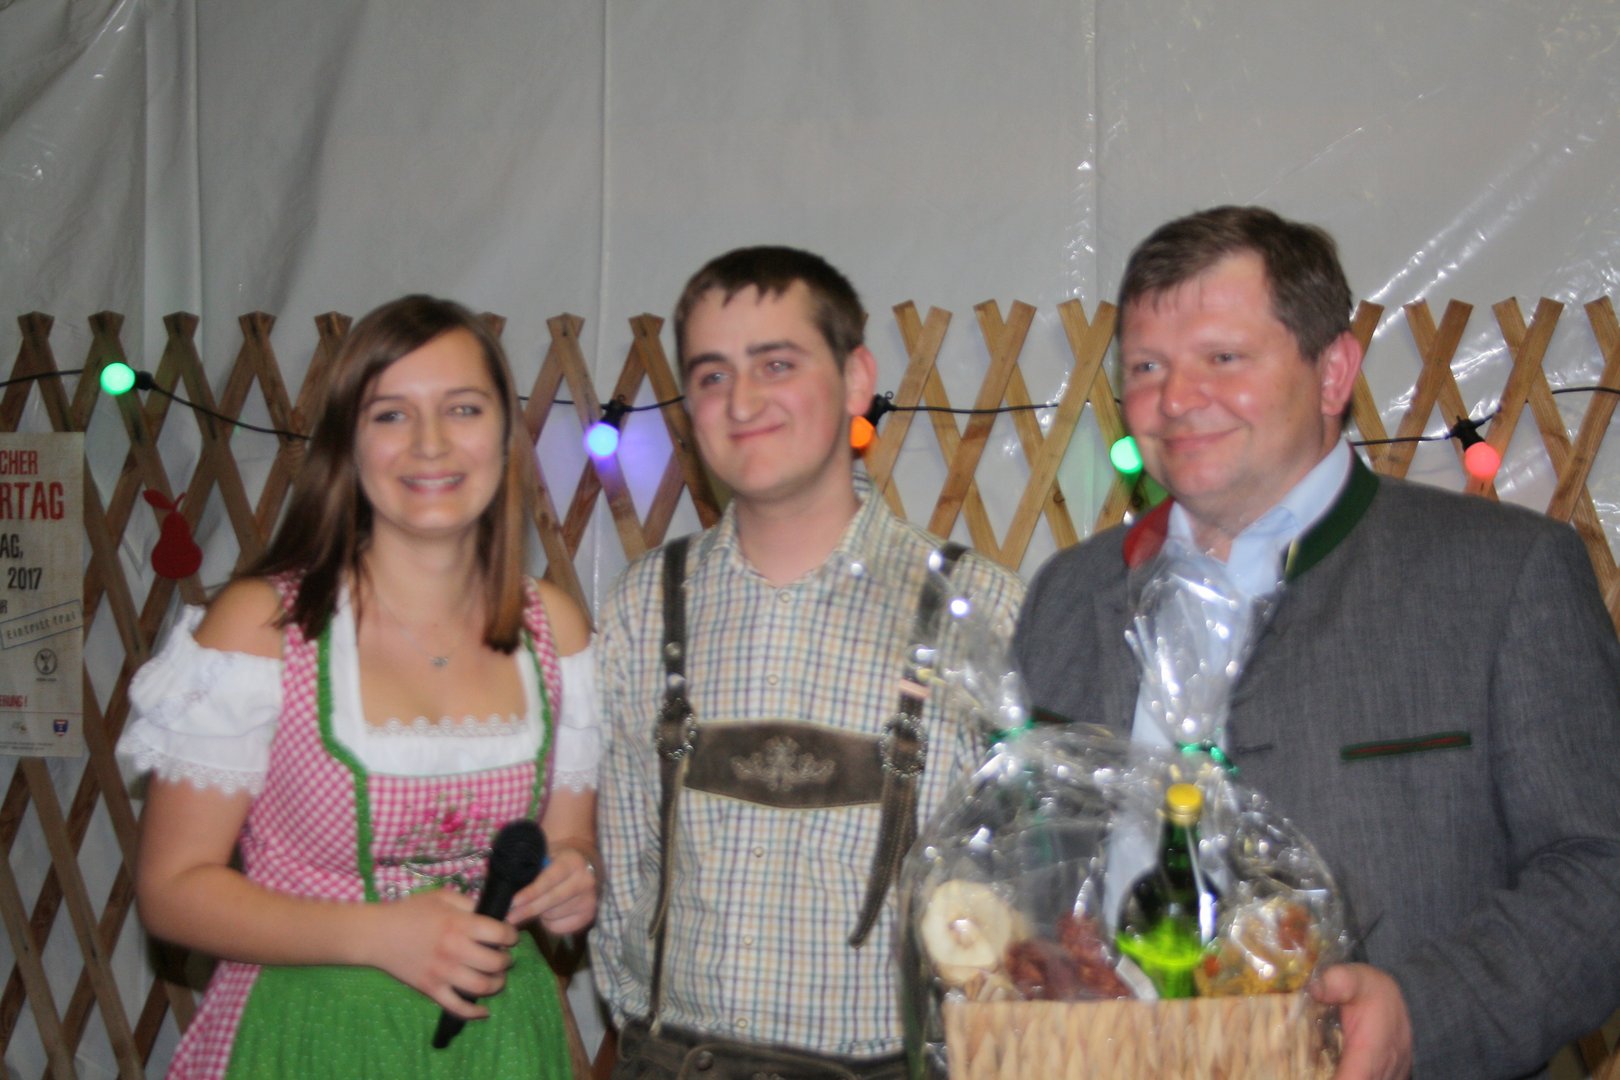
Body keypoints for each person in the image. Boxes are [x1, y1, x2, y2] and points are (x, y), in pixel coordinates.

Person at [1013, 206, 1620, 1080]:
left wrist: (1422, 1014)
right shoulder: (1068, 597)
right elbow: (1020, 870)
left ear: (1334, 372)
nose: (1175, 399)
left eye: (1223, 358)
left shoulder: (1501, 577)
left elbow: (1603, 872)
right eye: (1147, 367)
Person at [118, 295, 601, 1078]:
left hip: (500, 1042)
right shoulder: (263, 628)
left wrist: (573, 880)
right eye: (391, 415)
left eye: (463, 408)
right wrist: (379, 934)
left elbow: (568, 841)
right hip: (311, 1035)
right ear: (348, 442)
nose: (431, 443)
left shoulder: (554, 629)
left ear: (505, 436)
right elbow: (173, 891)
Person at [589, 246, 1026, 1079]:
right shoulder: (643, 606)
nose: (742, 401)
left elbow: (1020, 896)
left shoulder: (979, 610)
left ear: (857, 380)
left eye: (776, 364)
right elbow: (620, 884)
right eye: (711, 375)